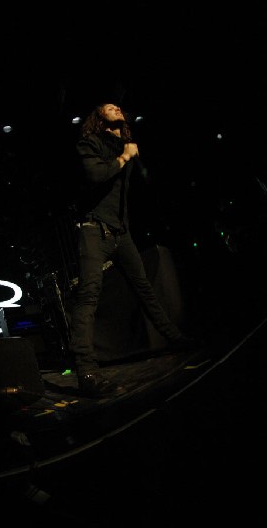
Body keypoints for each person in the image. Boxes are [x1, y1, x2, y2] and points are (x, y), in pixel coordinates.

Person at [69, 102, 196, 397]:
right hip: (94, 230)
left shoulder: (124, 144)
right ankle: (86, 372)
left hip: (120, 232)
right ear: (99, 118)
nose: (116, 108)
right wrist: (125, 157)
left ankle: (176, 339)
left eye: (117, 107)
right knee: (88, 296)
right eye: (109, 107)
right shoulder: (90, 143)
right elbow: (94, 175)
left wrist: (130, 155)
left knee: (145, 290)